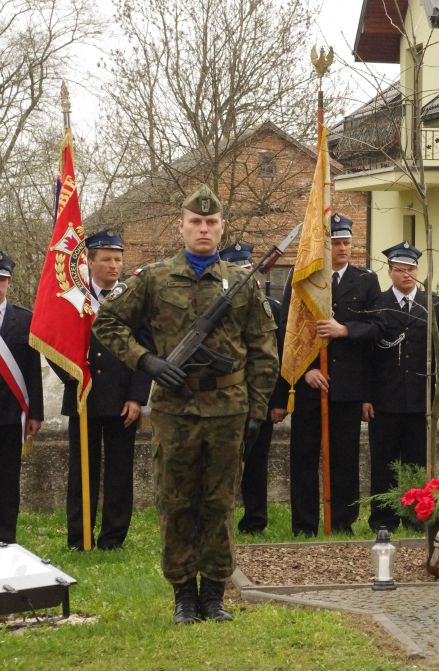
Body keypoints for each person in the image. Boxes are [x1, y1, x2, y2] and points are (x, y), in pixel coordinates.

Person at [93, 184, 278, 624]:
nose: (203, 229)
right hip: (175, 409)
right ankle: (183, 595)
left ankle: (214, 593)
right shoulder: (153, 278)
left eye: (211, 222)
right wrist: (148, 362)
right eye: (195, 222)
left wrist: (256, 410)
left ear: (221, 228)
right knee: (175, 501)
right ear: (181, 226)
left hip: (228, 407)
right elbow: (107, 322)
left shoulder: (241, 282)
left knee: (219, 500)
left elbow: (263, 347)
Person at [273, 215, 380, 536]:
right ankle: (304, 525)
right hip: (308, 386)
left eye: (347, 242)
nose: (343, 248)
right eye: (336, 243)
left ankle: (342, 522)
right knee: (304, 457)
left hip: (346, 386)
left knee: (344, 459)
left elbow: (378, 328)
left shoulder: (365, 281)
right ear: (325, 245)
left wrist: (344, 329)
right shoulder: (304, 276)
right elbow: (288, 331)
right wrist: (304, 372)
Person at [52, 231, 152, 550]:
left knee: (120, 471)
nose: (113, 265)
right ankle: (79, 537)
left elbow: (146, 349)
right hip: (84, 395)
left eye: (118, 259)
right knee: (82, 471)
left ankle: (113, 537)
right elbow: (54, 344)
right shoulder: (73, 299)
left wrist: (137, 397)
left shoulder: (133, 300)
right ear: (90, 261)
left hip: (123, 398)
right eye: (106, 259)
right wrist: (73, 377)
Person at [366, 241, 439, 531]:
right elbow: (369, 354)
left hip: (420, 398)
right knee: (384, 463)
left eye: (411, 269)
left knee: (416, 463)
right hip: (384, 399)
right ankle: (383, 519)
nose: (406, 275)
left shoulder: (434, 304)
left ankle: (417, 517)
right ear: (390, 272)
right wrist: (367, 397)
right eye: (400, 270)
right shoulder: (378, 304)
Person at [217, 243, 283, 535]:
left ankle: (255, 519)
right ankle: (223, 518)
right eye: (240, 270)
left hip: (259, 397)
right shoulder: (217, 310)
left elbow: (278, 359)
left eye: (249, 268)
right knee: (222, 463)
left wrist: (275, 401)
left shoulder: (274, 308)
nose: (247, 275)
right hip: (224, 397)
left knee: (256, 462)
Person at [0, 251, 43, 544]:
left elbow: (32, 372)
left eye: (1, 280)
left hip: (9, 415)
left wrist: (36, 414)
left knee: (7, 480)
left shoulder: (25, 320)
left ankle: (6, 537)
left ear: (9, 282)